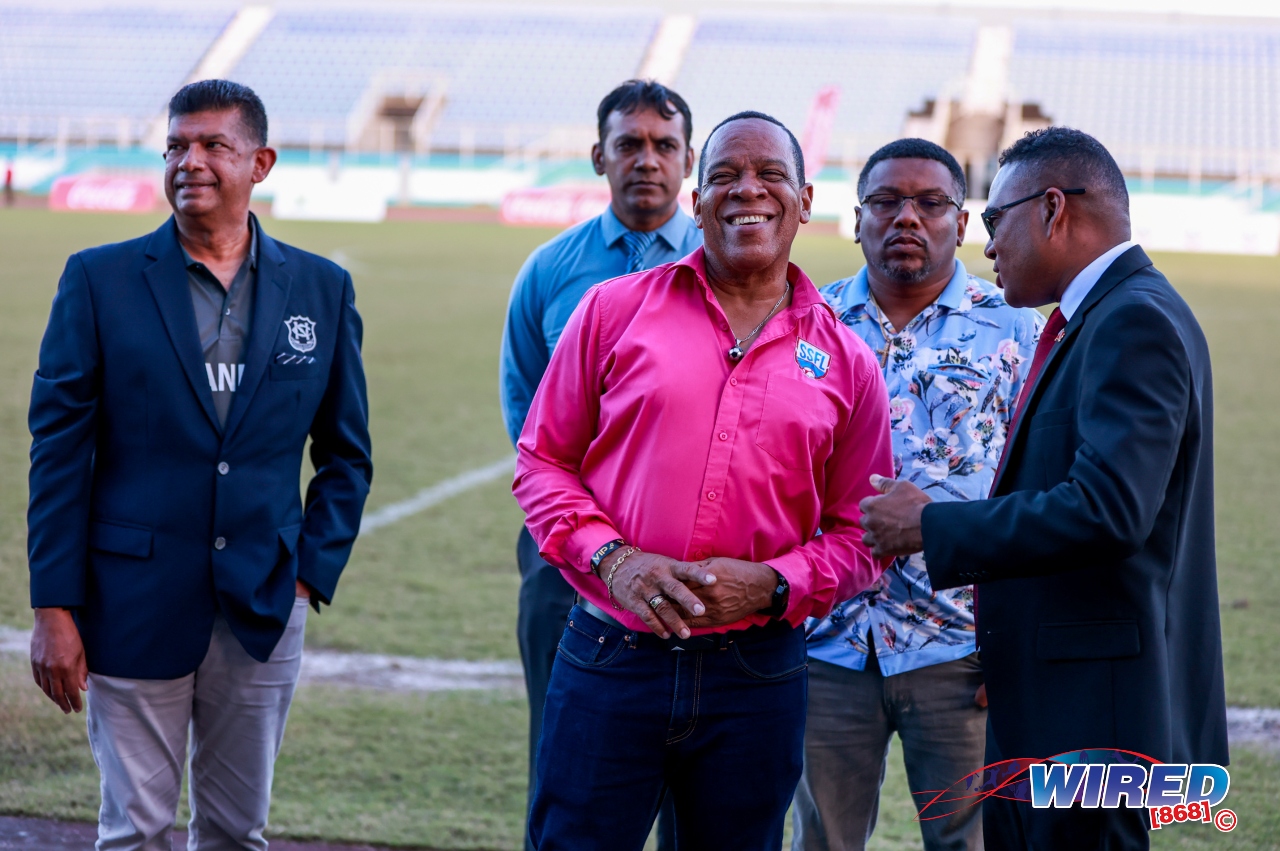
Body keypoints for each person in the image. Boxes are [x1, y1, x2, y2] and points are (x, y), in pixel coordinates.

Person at [513, 111, 894, 851]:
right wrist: (615, 561)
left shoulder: (848, 362)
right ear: (697, 202)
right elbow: (542, 460)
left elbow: (862, 535)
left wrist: (775, 584)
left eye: (770, 174)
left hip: (756, 673)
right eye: (724, 175)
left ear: (805, 201)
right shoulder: (613, 311)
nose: (747, 189)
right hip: (612, 653)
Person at [858, 126, 1228, 850]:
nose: (987, 245)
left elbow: (1109, 509)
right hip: (1062, 702)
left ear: (1053, 209)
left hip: (1091, 715)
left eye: (996, 219)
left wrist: (931, 525)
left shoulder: (1132, 320)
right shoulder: (1102, 316)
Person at [27, 79, 372, 851]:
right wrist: (53, 605)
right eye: (177, 146)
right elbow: (57, 453)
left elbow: (346, 453)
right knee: (136, 830)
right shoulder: (98, 279)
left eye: (214, 145)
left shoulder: (321, 288)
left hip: (262, 604)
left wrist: (307, 576)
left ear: (260, 163)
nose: (191, 161)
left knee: (235, 830)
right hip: (130, 600)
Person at [795, 139, 1042, 851]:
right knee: (822, 840)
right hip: (826, 645)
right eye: (886, 201)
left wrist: (1015, 644)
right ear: (857, 219)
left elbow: (1041, 495)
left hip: (961, 650)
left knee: (971, 842)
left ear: (960, 224)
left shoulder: (1016, 329)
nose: (907, 217)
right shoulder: (807, 324)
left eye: (930, 203)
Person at [499, 78, 701, 849]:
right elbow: (527, 413)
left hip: (698, 555)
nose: (646, 160)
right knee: (564, 754)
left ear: (688, 160)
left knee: (702, 760)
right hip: (566, 553)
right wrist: (587, 528)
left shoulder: (730, 265)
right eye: (629, 144)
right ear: (598, 156)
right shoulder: (550, 269)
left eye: (663, 145)